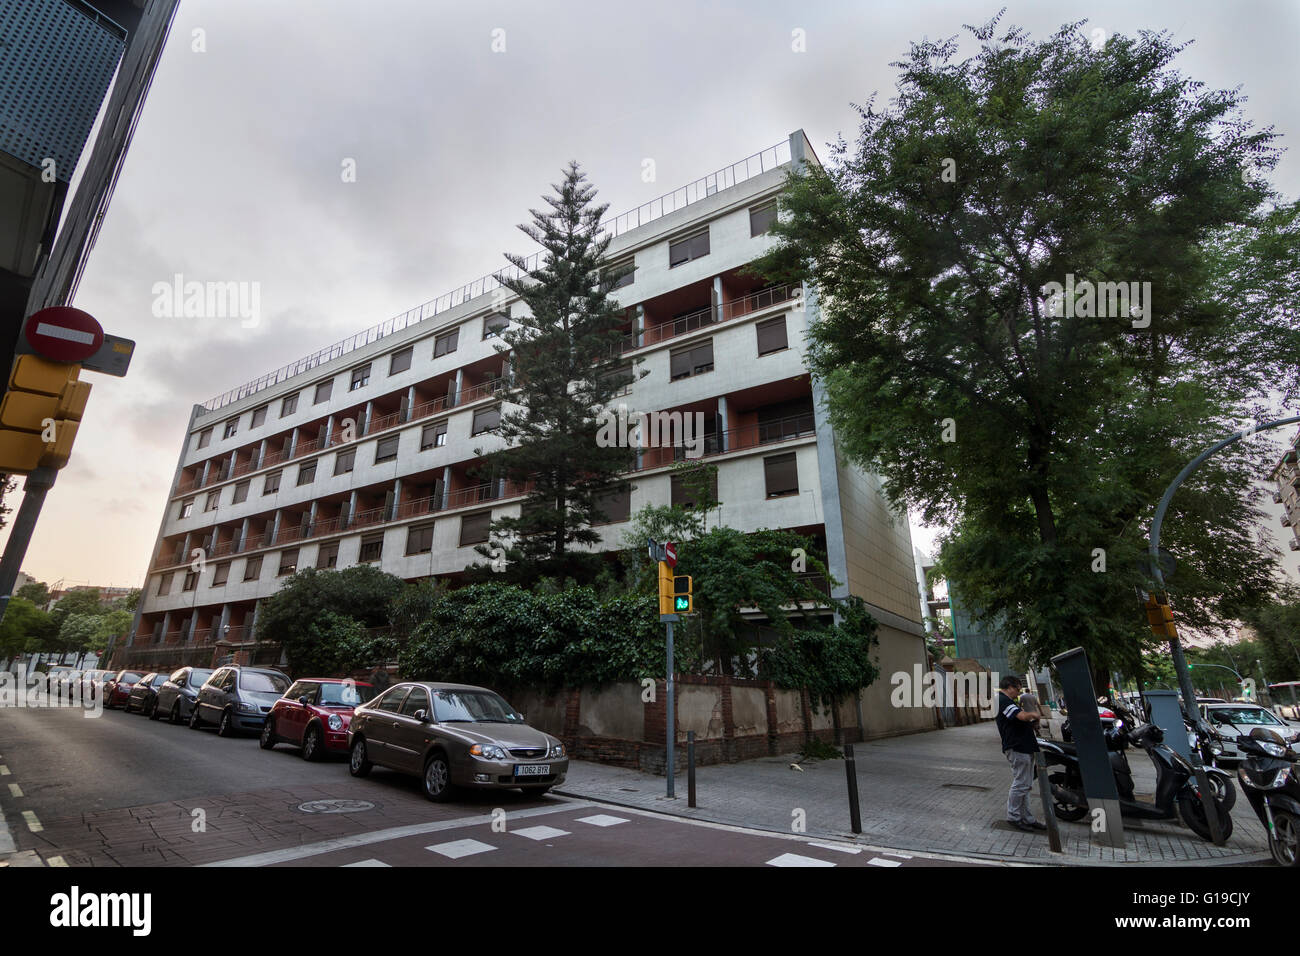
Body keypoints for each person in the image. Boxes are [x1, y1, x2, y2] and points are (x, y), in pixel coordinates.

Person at [996, 675, 1046, 832]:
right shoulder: (1003, 701)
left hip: (1023, 746)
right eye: (1017, 689)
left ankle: (1027, 817)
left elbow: (1018, 720)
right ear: (1009, 687)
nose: (1018, 693)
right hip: (1017, 747)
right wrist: (1034, 714)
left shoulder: (1008, 701)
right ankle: (1014, 816)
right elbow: (1021, 716)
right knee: (1021, 784)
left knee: (1025, 785)